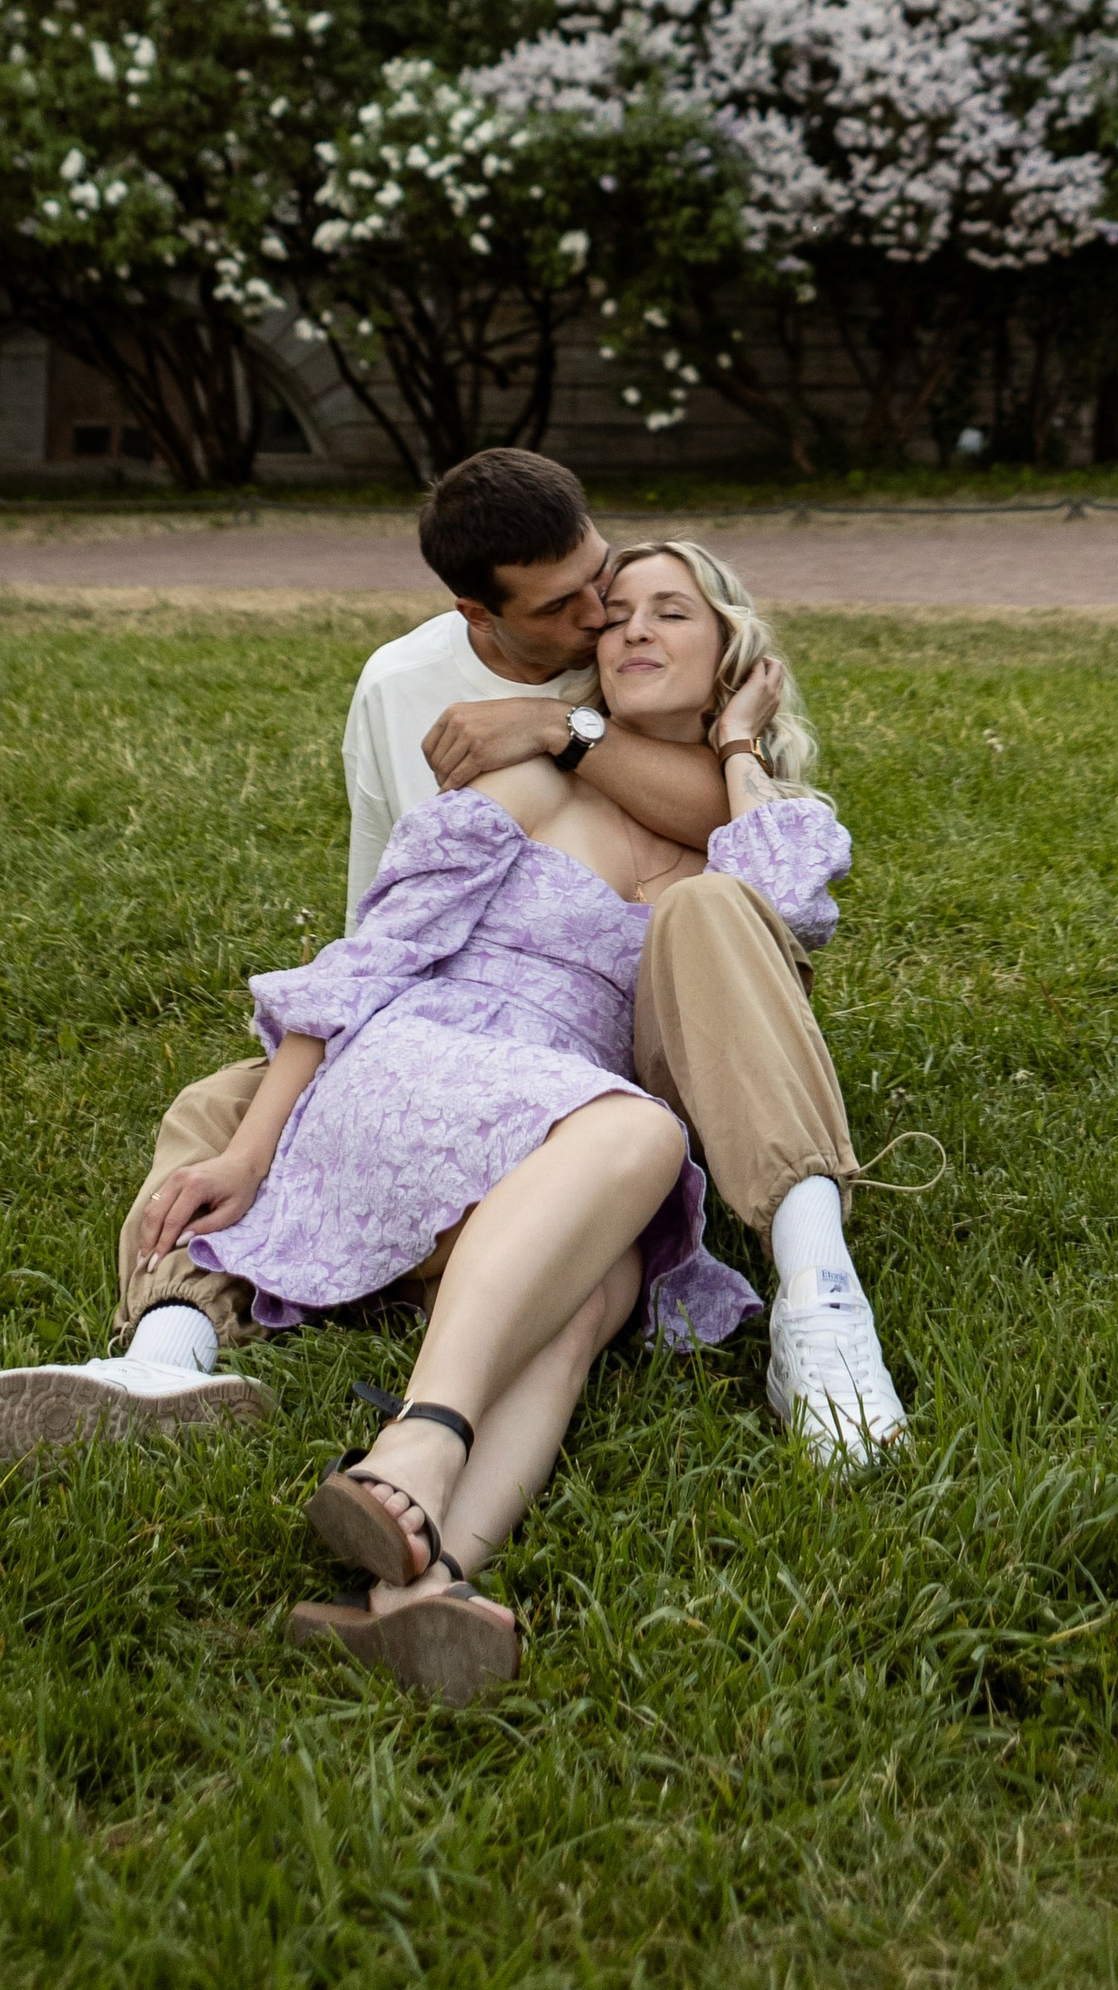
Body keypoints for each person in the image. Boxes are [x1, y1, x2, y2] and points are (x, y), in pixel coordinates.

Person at [0, 452, 905, 1470]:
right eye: (591, 610)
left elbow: (756, 865)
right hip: (456, 1015)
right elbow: (386, 926)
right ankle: (167, 1353)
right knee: (225, 1107)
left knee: (705, 912)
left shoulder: (637, 730)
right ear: (481, 615)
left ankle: (816, 1302)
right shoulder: (410, 692)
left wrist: (622, 732)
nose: (605, 625)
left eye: (634, 598)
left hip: (644, 1055)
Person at [189, 544, 858, 1700]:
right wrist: (254, 1146)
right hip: (430, 1068)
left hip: (548, 1149)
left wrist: (741, 745)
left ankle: (420, 1585)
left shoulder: (733, 835)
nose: (634, 631)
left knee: (598, 1285)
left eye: (672, 614)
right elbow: (376, 951)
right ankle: (418, 1439)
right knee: (641, 1144)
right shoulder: (537, 782)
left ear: (733, 651)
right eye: (618, 618)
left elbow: (787, 901)